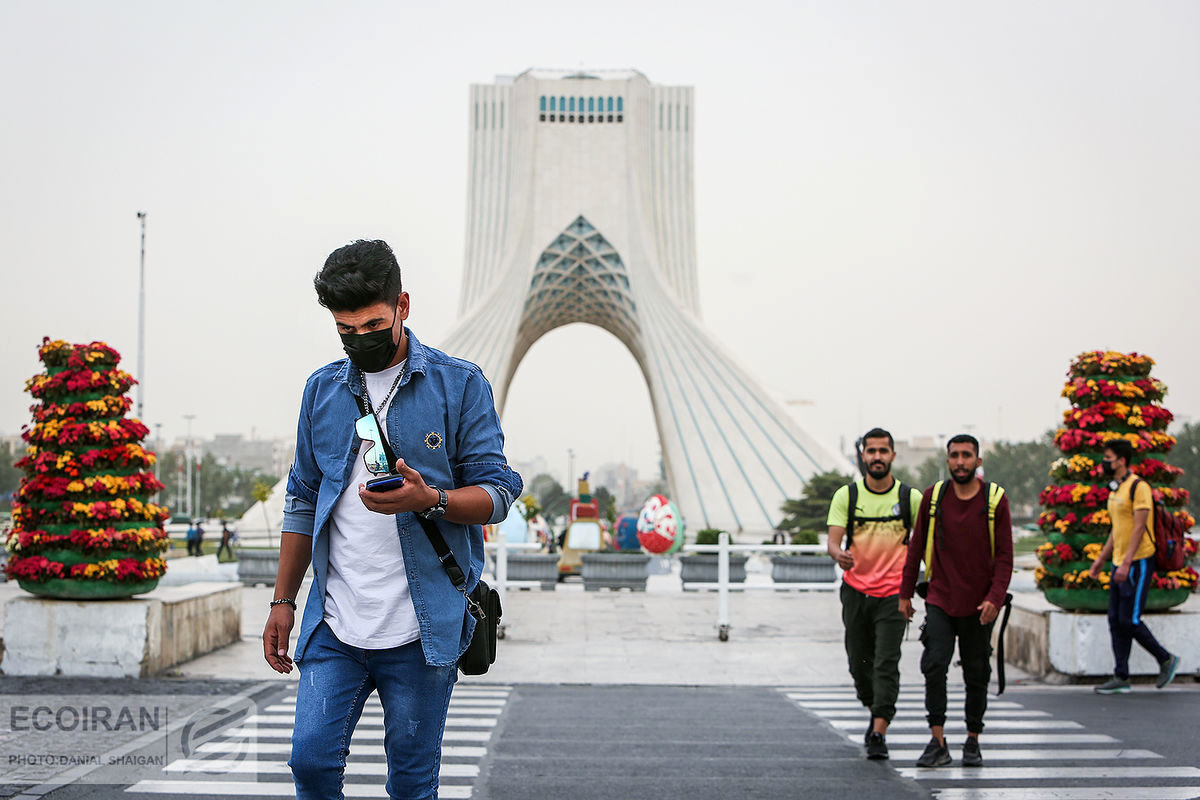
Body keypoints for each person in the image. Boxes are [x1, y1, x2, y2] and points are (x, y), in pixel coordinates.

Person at [262, 239, 522, 799]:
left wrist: (432, 500)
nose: (361, 340)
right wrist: (283, 601)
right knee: (309, 762)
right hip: (336, 623)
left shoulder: (459, 385)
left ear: (403, 305)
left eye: (373, 324)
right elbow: (303, 497)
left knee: (410, 781)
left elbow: (500, 491)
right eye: (345, 330)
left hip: (421, 628)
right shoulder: (322, 390)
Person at [900, 434, 1013, 769]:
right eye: (954, 456)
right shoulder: (934, 498)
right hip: (940, 598)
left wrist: (995, 598)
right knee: (934, 664)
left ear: (978, 461)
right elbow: (915, 548)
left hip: (980, 605)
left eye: (967, 456)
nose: (960, 462)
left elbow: (1006, 557)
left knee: (976, 672)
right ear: (947, 460)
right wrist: (905, 594)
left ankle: (973, 739)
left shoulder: (995, 499)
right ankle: (937, 741)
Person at [826, 427, 922, 761]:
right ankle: (874, 707)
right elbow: (833, 541)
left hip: (893, 596)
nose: (877, 457)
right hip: (855, 593)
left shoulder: (910, 499)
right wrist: (838, 554)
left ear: (893, 456)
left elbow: (927, 547)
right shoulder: (847, 497)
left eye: (883, 451)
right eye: (872, 451)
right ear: (862, 456)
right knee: (858, 663)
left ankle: (879, 730)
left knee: (886, 662)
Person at [1088, 439, 1179, 694]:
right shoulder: (1116, 489)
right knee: (1116, 620)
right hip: (1119, 561)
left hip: (1138, 561)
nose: (1105, 462)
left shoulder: (1139, 488)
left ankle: (1165, 659)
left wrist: (1127, 562)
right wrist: (1102, 559)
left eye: (1108, 457)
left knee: (1131, 619)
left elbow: (1139, 527)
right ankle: (1121, 676)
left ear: (1121, 460)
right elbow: (1118, 530)